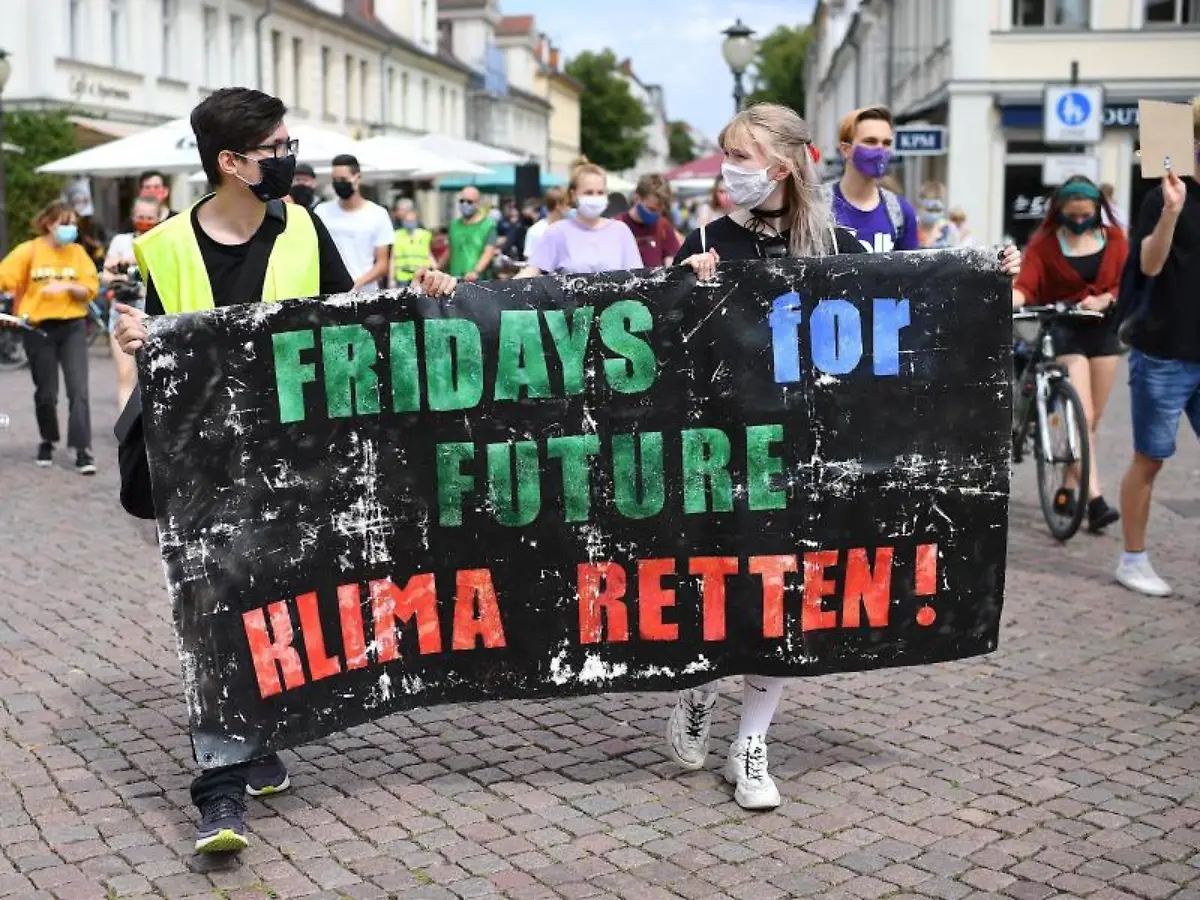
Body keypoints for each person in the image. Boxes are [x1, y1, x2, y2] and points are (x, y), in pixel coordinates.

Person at [112, 87, 455, 855]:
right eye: (276, 149)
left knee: (275, 599)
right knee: (214, 611)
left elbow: (347, 328)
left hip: (290, 460)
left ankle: (257, 735)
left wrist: (422, 298)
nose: (291, 161)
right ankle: (220, 792)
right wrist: (145, 338)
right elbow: (169, 344)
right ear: (231, 162)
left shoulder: (303, 227)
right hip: (201, 460)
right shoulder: (163, 245)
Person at [666, 102, 1022, 814]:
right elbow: (666, 354)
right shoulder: (704, 241)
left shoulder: (839, 251)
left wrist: (986, 273)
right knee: (729, 594)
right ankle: (701, 689)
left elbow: (917, 303)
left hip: (808, 458)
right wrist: (685, 290)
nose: (730, 170)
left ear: (787, 163)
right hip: (730, 457)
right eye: (727, 154)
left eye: (744, 155)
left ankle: (752, 742)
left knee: (786, 597)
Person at [1114, 98, 1200, 597]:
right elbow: (1148, 265)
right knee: (1151, 458)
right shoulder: (1162, 196)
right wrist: (1171, 213)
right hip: (1165, 350)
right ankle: (1133, 558)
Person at [1012, 176, 1127, 533]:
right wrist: (1011, 300)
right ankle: (1095, 501)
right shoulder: (1045, 244)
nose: (1079, 220)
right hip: (1065, 331)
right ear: (1060, 211)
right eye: (1072, 213)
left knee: (1092, 421)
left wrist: (1106, 298)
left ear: (1097, 210)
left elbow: (1127, 281)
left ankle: (1067, 486)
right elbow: (1026, 284)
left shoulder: (1116, 241)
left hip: (1103, 331)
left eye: (1086, 213)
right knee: (1082, 414)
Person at [0, 201, 99, 473]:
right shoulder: (29, 251)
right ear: (49, 224)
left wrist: (67, 285)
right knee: (46, 393)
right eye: (64, 223)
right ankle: (48, 439)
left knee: (78, 390)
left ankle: (82, 449)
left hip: (72, 327)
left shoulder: (78, 253)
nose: (70, 229)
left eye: (73, 224)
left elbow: (90, 288)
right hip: (38, 330)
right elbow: (3, 278)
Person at [516, 161, 641, 276]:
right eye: (589, 192)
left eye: (600, 192)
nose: (595, 197)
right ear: (573, 194)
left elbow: (636, 277)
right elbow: (532, 271)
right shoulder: (557, 232)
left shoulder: (620, 231)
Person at [102, 196, 162, 409]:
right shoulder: (120, 241)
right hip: (124, 310)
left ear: (158, 217)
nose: (144, 221)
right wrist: (119, 275)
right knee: (126, 375)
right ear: (133, 217)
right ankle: (126, 435)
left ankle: (151, 432)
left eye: (150, 217)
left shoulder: (163, 240)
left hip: (154, 312)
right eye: (140, 217)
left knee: (155, 376)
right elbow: (106, 275)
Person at [831, 106, 918, 253]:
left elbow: (913, 272)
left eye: (886, 143)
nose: (880, 150)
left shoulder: (900, 211)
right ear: (846, 149)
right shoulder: (816, 206)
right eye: (870, 141)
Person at [314, 153, 395, 291]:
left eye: (343, 179)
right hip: (331, 294)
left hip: (366, 293)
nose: (338, 184)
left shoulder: (378, 214)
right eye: (335, 180)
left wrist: (355, 284)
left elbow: (382, 264)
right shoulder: (321, 211)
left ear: (357, 178)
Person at [618, 174, 682, 267]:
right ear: (637, 198)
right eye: (651, 209)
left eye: (660, 210)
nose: (656, 214)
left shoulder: (663, 225)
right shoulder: (619, 225)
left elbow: (671, 258)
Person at [447, 186, 498, 282]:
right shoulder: (454, 225)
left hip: (479, 281)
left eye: (469, 202)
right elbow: (450, 251)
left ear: (478, 204)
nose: (465, 204)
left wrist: (476, 272)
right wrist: (437, 267)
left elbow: (489, 252)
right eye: (462, 201)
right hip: (455, 279)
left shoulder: (488, 226)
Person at [522, 188, 566, 263]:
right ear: (558, 205)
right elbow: (530, 262)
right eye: (568, 204)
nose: (570, 208)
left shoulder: (572, 229)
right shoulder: (536, 231)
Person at [393, 209, 435, 284]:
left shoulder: (424, 235)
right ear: (403, 221)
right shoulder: (397, 235)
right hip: (403, 276)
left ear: (416, 221)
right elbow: (393, 258)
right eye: (407, 221)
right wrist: (391, 279)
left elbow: (428, 254)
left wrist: (435, 269)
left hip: (422, 275)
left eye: (411, 221)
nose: (409, 223)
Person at [916, 182, 960, 249]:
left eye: (937, 210)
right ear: (920, 207)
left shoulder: (949, 230)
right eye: (930, 210)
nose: (933, 214)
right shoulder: (912, 227)